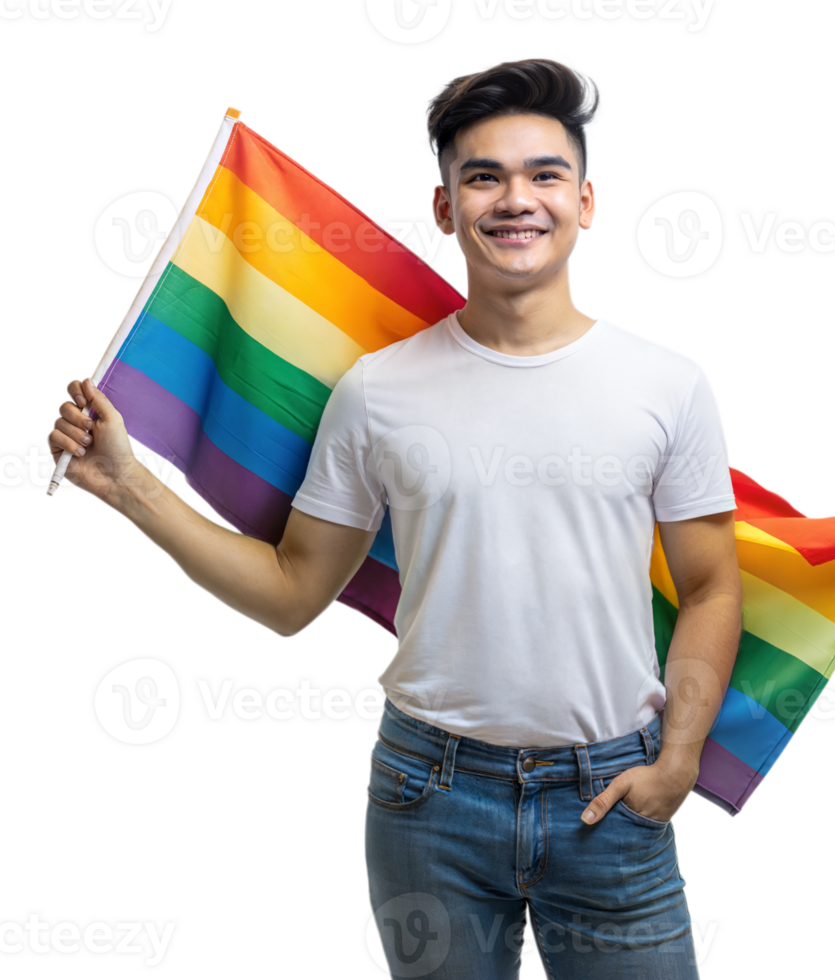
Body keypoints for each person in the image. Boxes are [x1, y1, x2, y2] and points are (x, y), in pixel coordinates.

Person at [47, 53, 742, 979]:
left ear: (587, 203)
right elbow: (293, 594)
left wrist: (679, 762)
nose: (515, 199)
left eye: (545, 175)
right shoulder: (377, 393)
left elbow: (710, 586)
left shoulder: (670, 383)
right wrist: (132, 487)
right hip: (429, 799)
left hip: (613, 794)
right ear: (446, 209)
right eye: (482, 177)